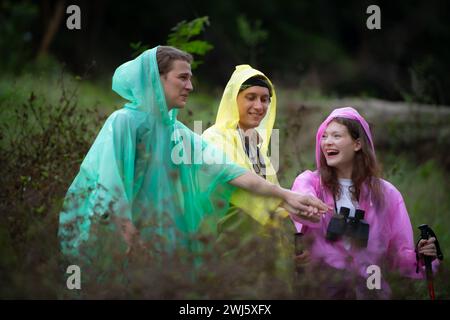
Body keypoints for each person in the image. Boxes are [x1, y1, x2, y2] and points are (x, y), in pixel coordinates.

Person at [58, 46, 328, 261]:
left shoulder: (178, 132)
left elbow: (230, 171)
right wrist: (130, 236)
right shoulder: (124, 122)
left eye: (190, 78)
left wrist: (286, 195)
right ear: (156, 78)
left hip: (156, 240)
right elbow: (110, 185)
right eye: (182, 77)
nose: (190, 86)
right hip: (119, 237)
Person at [290, 107, 439, 299]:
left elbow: (398, 255)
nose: (327, 142)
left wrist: (420, 255)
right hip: (324, 288)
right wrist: (310, 206)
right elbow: (301, 205)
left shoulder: (386, 194)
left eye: (336, 136)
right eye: (324, 136)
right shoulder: (311, 183)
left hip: (370, 288)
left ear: (357, 144)